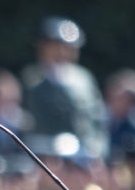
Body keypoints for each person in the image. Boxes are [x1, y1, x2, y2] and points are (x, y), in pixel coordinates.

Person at [21, 16, 108, 159]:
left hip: (84, 153)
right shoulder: (32, 78)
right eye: (55, 46)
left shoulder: (84, 79)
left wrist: (97, 148)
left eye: (68, 47)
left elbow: (98, 116)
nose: (62, 52)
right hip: (45, 153)